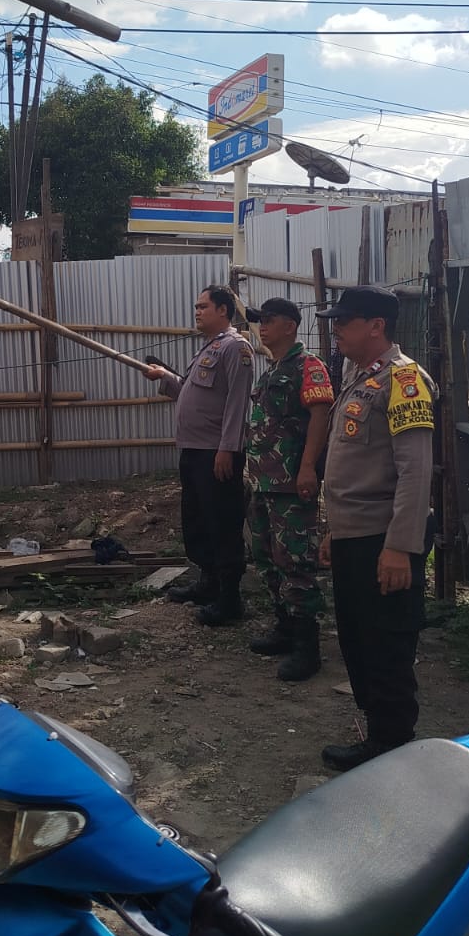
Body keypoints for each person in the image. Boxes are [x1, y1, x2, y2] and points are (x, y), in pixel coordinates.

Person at [315, 285, 436, 772]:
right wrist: (333, 529)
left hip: (383, 540)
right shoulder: (359, 376)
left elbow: (416, 471)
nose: (336, 331)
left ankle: (392, 744)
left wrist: (400, 547)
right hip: (354, 535)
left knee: (385, 644)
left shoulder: (404, 380)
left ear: (376, 326)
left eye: (345, 322)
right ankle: (378, 733)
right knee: (357, 639)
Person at [143, 285, 254, 625]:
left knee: (222, 521)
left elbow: (237, 401)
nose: (197, 311)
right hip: (193, 449)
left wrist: (228, 448)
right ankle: (208, 583)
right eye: (197, 306)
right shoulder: (209, 348)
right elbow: (188, 391)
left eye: (203, 306)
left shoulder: (236, 347)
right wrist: (165, 376)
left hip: (216, 453)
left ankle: (229, 599)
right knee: (198, 519)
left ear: (223, 310)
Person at [242, 297, 334, 682]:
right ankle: (284, 627)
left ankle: (307, 647)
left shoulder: (307, 366)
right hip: (263, 482)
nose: (262, 327)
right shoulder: (273, 369)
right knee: (266, 558)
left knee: (296, 562)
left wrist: (309, 467)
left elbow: (320, 416)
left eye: (270, 320)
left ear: (290, 326)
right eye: (260, 320)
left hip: (291, 484)